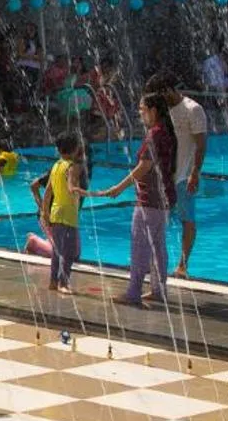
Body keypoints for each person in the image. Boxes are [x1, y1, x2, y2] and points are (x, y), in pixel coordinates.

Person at [88, 92, 177, 307]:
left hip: (149, 200)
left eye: (142, 109)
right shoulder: (167, 132)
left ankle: (134, 293)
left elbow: (144, 166)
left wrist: (118, 188)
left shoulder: (154, 134)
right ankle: (158, 290)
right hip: (164, 199)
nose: (139, 113)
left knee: (140, 247)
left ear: (153, 111)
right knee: (158, 246)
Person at [146, 73, 209, 278]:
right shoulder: (163, 111)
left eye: (161, 93)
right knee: (157, 218)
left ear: (169, 89)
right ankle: (154, 261)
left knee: (187, 219)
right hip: (165, 175)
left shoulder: (193, 109)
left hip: (184, 175)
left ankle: (182, 264)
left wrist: (195, 173)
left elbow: (201, 145)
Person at [27, 133, 87, 294]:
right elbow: (72, 188)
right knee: (70, 252)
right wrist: (93, 193)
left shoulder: (56, 166)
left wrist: (45, 212)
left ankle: (53, 282)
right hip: (68, 215)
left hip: (55, 212)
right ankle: (63, 283)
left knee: (57, 250)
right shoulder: (72, 167)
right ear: (76, 149)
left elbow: (48, 192)